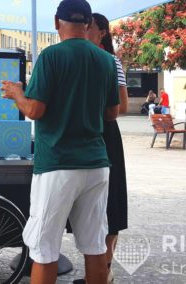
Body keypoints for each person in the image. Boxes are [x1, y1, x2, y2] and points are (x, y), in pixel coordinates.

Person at [1, 0, 119, 283]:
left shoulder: (51, 56)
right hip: (95, 164)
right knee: (94, 245)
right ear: (89, 24)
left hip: (57, 164)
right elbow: (112, 113)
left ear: (56, 23)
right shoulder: (106, 60)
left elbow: (34, 111)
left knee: (44, 248)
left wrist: (16, 93)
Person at [71, 12, 129, 284]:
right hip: (84, 133)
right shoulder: (79, 60)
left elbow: (122, 107)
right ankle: (96, 272)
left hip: (105, 134)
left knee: (110, 204)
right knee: (88, 207)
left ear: (102, 32)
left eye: (89, 27)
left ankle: (103, 270)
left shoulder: (111, 62)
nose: (84, 30)